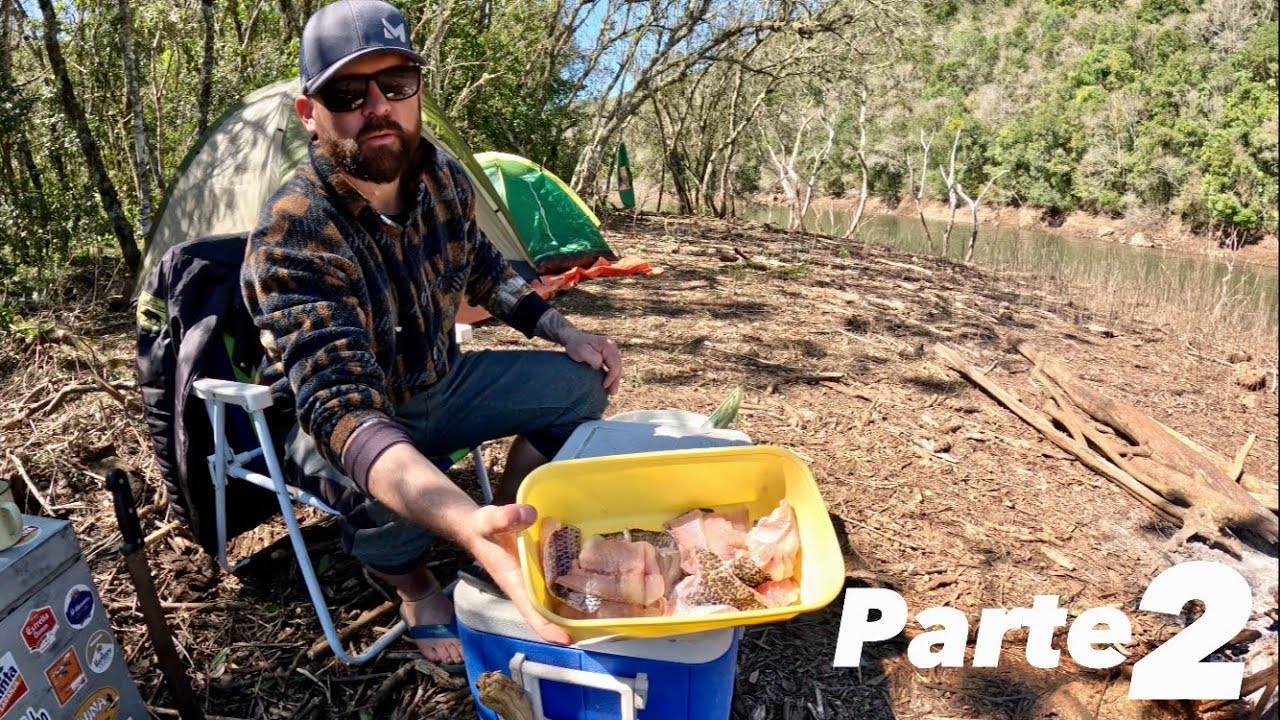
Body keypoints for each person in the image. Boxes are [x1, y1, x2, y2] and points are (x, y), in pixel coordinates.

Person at [241, 0, 622, 666]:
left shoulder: (439, 175)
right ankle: (413, 585)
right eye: (348, 93)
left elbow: (484, 270)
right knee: (382, 479)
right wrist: (458, 520)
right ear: (309, 113)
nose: (378, 107)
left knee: (580, 385)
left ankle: (509, 523)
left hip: (440, 381)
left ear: (417, 91)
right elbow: (342, 410)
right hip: (344, 425)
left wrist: (564, 332)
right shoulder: (294, 231)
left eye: (396, 83)